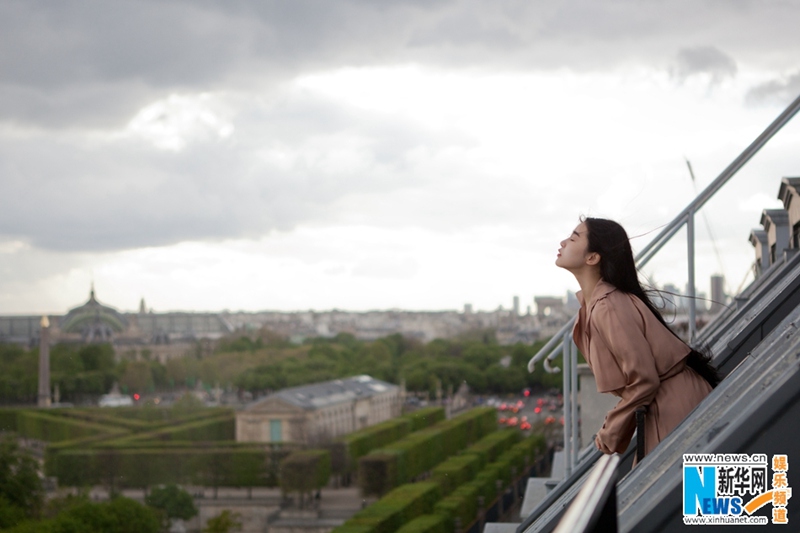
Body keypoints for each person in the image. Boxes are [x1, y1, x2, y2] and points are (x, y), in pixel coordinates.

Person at [556, 217, 719, 456]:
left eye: (573, 238)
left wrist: (611, 429)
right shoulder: (598, 305)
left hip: (675, 406)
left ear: (593, 257)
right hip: (668, 404)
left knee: (685, 491)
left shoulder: (607, 306)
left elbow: (644, 380)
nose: (563, 242)